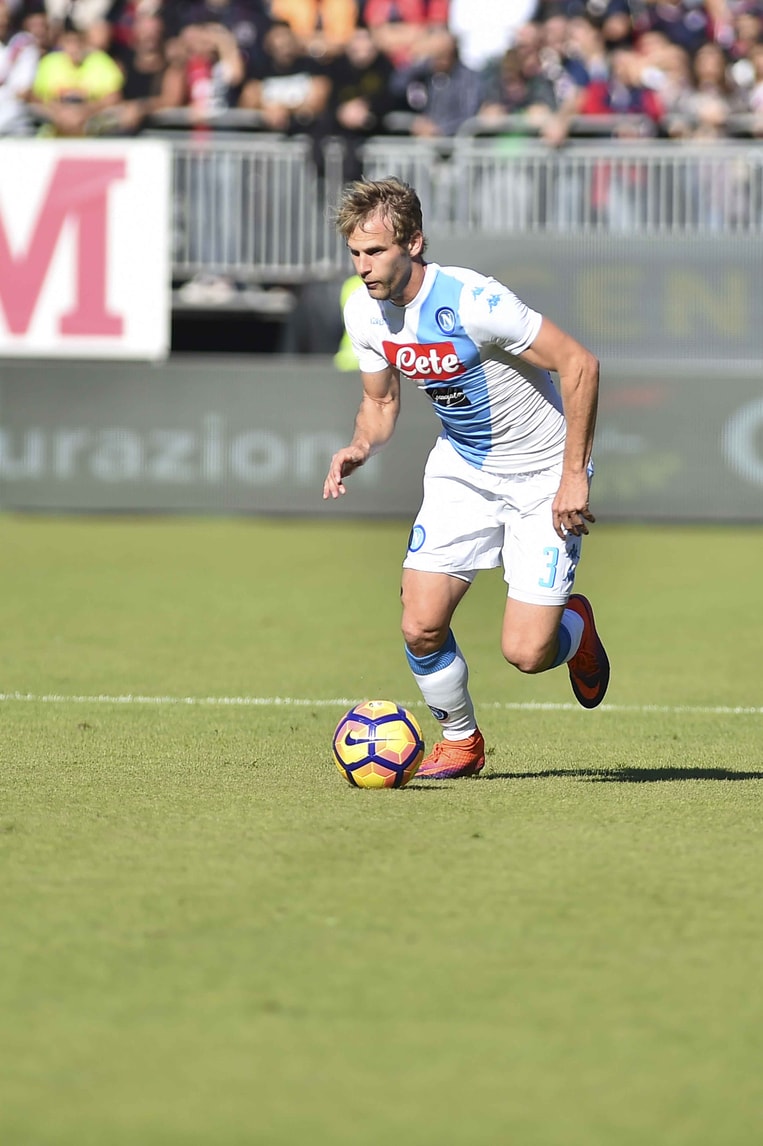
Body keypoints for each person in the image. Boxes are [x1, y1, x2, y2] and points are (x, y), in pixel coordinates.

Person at [323, 177, 610, 780]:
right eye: (354, 252)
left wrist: (572, 476)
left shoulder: (475, 300)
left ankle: (575, 625)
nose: (363, 266)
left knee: (527, 653)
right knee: (420, 625)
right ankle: (460, 741)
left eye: (375, 251)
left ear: (413, 243)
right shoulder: (363, 311)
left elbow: (579, 363)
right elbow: (380, 403)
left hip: (541, 473)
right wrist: (360, 445)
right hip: (464, 471)